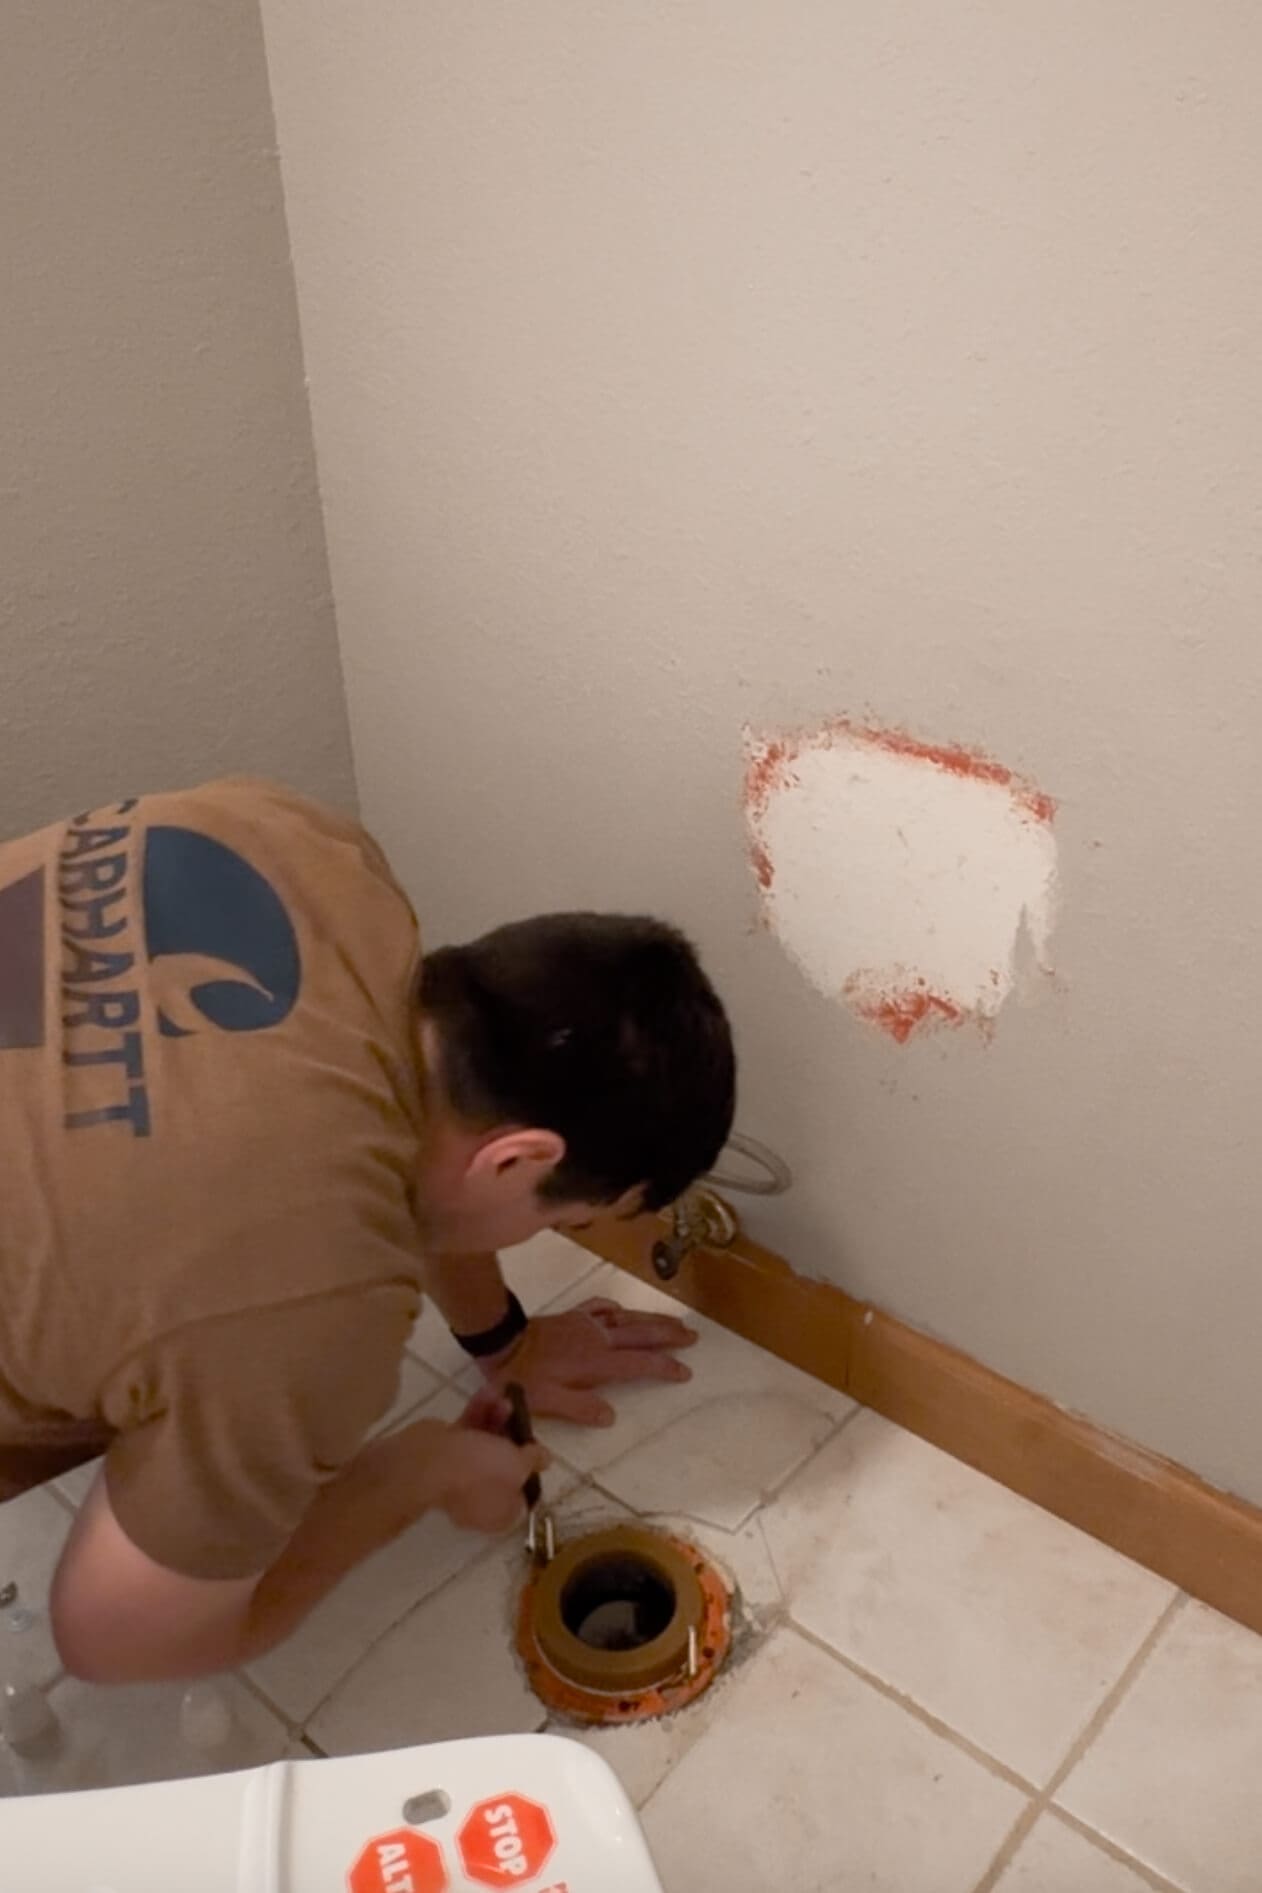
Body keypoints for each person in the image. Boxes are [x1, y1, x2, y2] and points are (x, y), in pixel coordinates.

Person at [0, 778, 735, 1683]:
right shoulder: (307, 1306)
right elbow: (113, 1640)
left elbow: (412, 1156)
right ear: (515, 1162)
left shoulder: (306, 847)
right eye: (573, 1217)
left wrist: (504, 1341)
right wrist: (415, 1472)